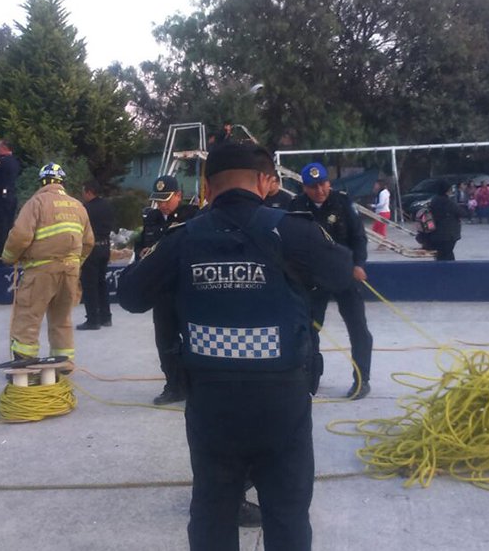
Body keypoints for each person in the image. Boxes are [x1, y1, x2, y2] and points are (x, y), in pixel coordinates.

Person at [118, 141, 356, 551]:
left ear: (207, 188)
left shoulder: (182, 239)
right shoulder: (293, 230)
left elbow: (131, 296)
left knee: (212, 513)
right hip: (282, 402)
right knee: (287, 514)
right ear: (266, 182)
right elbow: (341, 273)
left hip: (212, 405)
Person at [289, 163, 373, 399]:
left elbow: (359, 238)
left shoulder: (343, 203)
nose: (320, 190)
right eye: (313, 186)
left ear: (329, 183)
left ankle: (361, 380)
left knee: (358, 329)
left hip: (346, 275)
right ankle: (310, 376)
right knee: (309, 329)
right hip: (315, 279)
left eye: (323, 184)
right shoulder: (296, 207)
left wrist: (359, 265)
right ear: (304, 187)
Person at [1, 163, 94, 363]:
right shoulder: (78, 206)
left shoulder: (37, 203)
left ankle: (24, 361)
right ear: (61, 182)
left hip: (41, 271)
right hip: (70, 273)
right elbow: (88, 243)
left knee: (28, 315)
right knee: (62, 319)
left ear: (42, 182)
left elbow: (20, 236)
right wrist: (76, 264)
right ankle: (63, 364)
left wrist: (8, 257)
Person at [135, 175, 200, 405]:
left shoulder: (191, 216)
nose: (162, 204)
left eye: (167, 199)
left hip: (186, 287)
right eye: (159, 200)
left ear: (179, 196)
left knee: (194, 338)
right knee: (165, 340)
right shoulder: (151, 218)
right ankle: (173, 385)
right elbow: (142, 244)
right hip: (162, 290)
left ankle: (196, 382)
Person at [78, 179, 116, 330]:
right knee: (102, 282)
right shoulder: (107, 206)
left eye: (83, 192)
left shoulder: (85, 209)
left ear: (89, 192)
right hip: (105, 247)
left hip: (91, 249)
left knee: (89, 285)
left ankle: (93, 319)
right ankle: (106, 317)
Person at [420, 179, 466, 261]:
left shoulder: (434, 200)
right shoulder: (448, 202)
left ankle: (442, 271)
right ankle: (449, 272)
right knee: (448, 256)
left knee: (441, 256)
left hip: (435, 234)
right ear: (447, 190)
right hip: (448, 235)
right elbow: (461, 213)